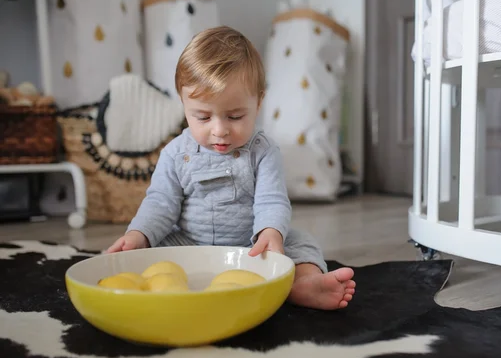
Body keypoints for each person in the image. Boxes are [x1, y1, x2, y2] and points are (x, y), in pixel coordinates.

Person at [106, 25, 355, 310]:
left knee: (301, 243)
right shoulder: (175, 153)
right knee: (149, 252)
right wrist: (138, 235)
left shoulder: (264, 152)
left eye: (235, 116)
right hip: (189, 245)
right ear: (184, 105)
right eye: (202, 117)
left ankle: (302, 284)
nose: (220, 130)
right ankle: (157, 285)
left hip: (249, 247)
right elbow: (161, 203)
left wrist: (270, 232)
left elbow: (271, 200)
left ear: (258, 103)